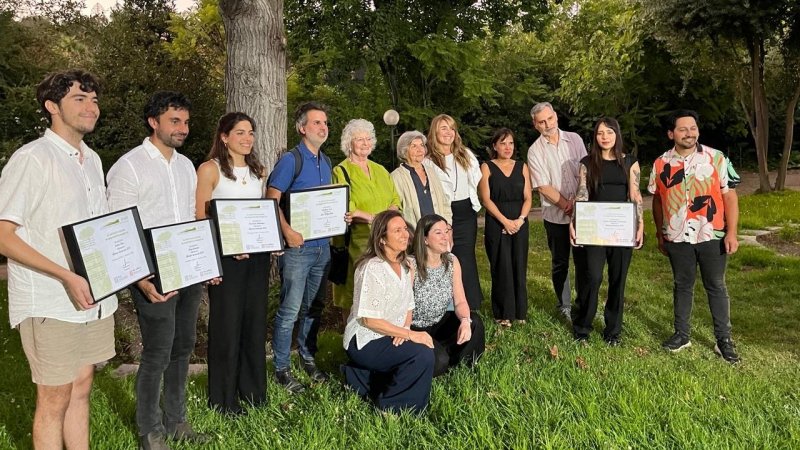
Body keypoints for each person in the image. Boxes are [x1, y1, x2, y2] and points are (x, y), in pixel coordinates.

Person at [0, 69, 117, 449]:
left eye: (94, 99)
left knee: (81, 387)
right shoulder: (32, 159)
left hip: (93, 297)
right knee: (54, 399)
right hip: (51, 300)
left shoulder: (92, 159)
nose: (91, 107)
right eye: (79, 99)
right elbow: (3, 235)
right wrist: (66, 275)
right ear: (52, 106)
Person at [107, 91, 210, 449]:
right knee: (158, 351)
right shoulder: (129, 166)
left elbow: (192, 219)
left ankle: (176, 420)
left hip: (186, 265)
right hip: (151, 268)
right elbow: (118, 228)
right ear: (153, 122)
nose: (183, 128)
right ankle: (149, 430)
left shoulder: (185, 165)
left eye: (186, 121)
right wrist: (140, 279)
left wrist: (203, 262)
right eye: (174, 121)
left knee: (183, 346)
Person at [266, 102, 348, 393]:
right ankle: (281, 368)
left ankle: (307, 357)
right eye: (316, 123)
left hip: (322, 248)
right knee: (290, 309)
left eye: (325, 123)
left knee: (314, 307)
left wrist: (339, 216)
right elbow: (271, 199)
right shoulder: (291, 160)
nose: (323, 127)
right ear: (302, 128)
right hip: (298, 250)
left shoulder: (325, 161)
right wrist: (286, 231)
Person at [648, 109, 741, 363]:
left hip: (712, 233)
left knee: (716, 285)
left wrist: (732, 232)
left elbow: (729, 196)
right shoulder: (660, 163)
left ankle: (724, 340)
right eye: (682, 129)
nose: (689, 133)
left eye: (693, 128)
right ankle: (682, 334)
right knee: (682, 284)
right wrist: (660, 233)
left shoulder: (716, 158)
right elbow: (657, 200)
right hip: (677, 236)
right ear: (671, 134)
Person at [195, 112, 269, 415]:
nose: (247, 138)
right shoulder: (209, 170)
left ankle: (253, 394)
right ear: (224, 137)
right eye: (240, 132)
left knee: (254, 324)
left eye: (250, 132)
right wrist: (217, 253)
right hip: (227, 259)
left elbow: (261, 213)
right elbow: (201, 218)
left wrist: (271, 240)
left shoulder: (258, 171)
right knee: (227, 327)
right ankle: (223, 399)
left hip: (257, 258)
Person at [341, 210, 435, 413]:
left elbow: (409, 305)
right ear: (382, 238)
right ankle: (393, 408)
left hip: (391, 331)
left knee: (426, 351)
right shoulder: (372, 268)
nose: (405, 234)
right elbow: (369, 320)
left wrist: (405, 329)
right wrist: (410, 335)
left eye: (405, 229)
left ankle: (359, 377)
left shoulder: (406, 265)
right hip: (365, 338)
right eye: (397, 230)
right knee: (422, 354)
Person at [569, 118, 643, 345]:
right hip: (595, 229)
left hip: (622, 229)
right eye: (600, 133)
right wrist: (574, 222)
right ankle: (582, 327)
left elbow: (635, 195)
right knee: (593, 277)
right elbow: (582, 194)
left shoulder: (630, 162)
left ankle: (613, 332)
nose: (605, 137)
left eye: (609, 132)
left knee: (618, 280)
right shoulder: (587, 163)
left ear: (617, 135)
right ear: (595, 136)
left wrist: (640, 224)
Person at [331, 119, 401, 319]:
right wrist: (376, 218)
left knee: (384, 288)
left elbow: (395, 199)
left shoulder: (380, 169)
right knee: (357, 292)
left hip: (387, 240)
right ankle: (352, 334)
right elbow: (347, 206)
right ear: (349, 143)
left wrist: (384, 218)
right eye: (359, 139)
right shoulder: (341, 171)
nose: (365, 143)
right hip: (359, 242)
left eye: (368, 139)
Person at [526, 102, 588, 321]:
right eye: (542, 122)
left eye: (550, 119)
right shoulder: (535, 151)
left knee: (584, 261)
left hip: (583, 213)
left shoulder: (575, 139)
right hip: (555, 216)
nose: (548, 124)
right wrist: (568, 206)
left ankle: (585, 302)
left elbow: (586, 171)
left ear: (556, 117)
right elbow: (543, 186)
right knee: (560, 262)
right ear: (535, 125)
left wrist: (579, 204)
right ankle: (564, 305)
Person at [410, 214, 485, 376]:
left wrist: (465, 321)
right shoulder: (411, 265)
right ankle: (440, 358)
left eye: (447, 231)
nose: (445, 237)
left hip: (439, 322)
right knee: (438, 363)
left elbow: (460, 301)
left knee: (474, 322)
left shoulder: (451, 261)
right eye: (438, 233)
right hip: (415, 328)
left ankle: (462, 366)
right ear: (424, 239)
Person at [426, 114, 483, 310]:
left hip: (465, 211)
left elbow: (476, 179)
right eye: (443, 128)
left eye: (452, 128)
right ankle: (446, 306)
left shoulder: (465, 154)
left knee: (465, 257)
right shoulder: (428, 160)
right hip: (442, 212)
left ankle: (471, 305)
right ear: (435, 132)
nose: (448, 132)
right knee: (444, 257)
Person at [478, 128, 532, 327]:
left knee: (519, 265)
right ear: (495, 146)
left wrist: (520, 220)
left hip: (520, 223)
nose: (507, 147)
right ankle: (503, 313)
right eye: (502, 143)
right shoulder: (487, 167)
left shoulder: (522, 166)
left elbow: (528, 198)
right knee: (501, 267)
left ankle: (520, 311)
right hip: (496, 222)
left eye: (510, 143)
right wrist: (505, 221)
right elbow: (486, 199)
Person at [390, 130, 452, 226]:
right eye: (414, 146)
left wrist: (447, 225)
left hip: (438, 229)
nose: (420, 150)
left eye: (422, 145)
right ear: (404, 150)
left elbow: (444, 203)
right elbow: (396, 209)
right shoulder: (396, 176)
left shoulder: (431, 171)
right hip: (414, 230)